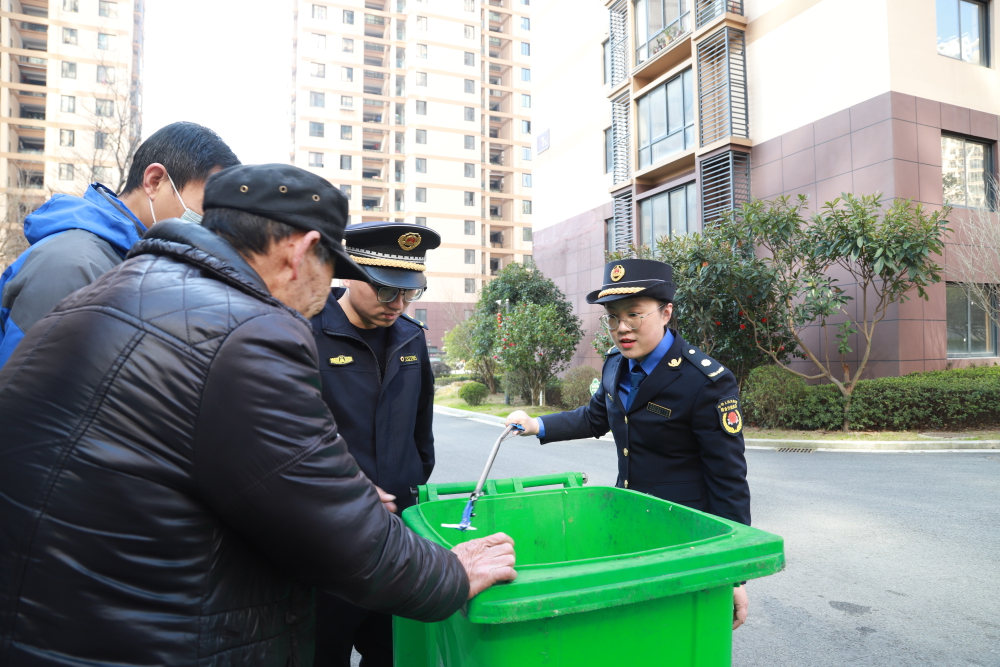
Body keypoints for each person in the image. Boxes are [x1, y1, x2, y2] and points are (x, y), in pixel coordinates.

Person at [0, 164, 516, 666]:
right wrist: (452, 573)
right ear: (302, 253)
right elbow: (333, 526)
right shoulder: (249, 333)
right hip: (153, 636)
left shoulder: (110, 291)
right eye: (333, 272)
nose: (324, 294)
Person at [505, 258, 750, 630]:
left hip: (683, 535)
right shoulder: (615, 365)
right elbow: (595, 417)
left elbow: (727, 479)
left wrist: (734, 573)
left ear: (666, 312)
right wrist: (535, 424)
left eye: (634, 315)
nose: (622, 328)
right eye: (613, 317)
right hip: (629, 522)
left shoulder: (704, 381)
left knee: (677, 633)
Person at [0, 121, 240, 367]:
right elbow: (25, 383)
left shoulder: (135, 264)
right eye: (207, 207)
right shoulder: (72, 264)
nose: (210, 225)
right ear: (155, 181)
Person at [310, 221, 441, 667]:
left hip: (396, 539)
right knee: (320, 651)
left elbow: (421, 429)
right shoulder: (306, 333)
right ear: (349, 274)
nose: (398, 304)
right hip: (328, 540)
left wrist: (408, 481)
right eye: (386, 290)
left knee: (391, 652)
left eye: (408, 293)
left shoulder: (411, 337)